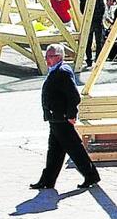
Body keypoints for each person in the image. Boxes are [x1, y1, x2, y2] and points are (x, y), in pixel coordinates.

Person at [30, 44, 100, 190]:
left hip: (62, 118)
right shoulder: (55, 70)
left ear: (59, 57)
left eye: (50, 56)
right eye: (46, 56)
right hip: (55, 119)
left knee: (74, 149)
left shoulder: (62, 71)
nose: (47, 59)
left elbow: (74, 96)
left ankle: (91, 175)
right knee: (54, 151)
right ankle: (47, 180)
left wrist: (71, 114)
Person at [85, 0, 106, 67]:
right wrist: (99, 17)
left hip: (89, 22)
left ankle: (89, 59)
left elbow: (81, 10)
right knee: (99, 42)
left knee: (88, 42)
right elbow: (103, 8)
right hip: (97, 22)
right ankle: (98, 58)